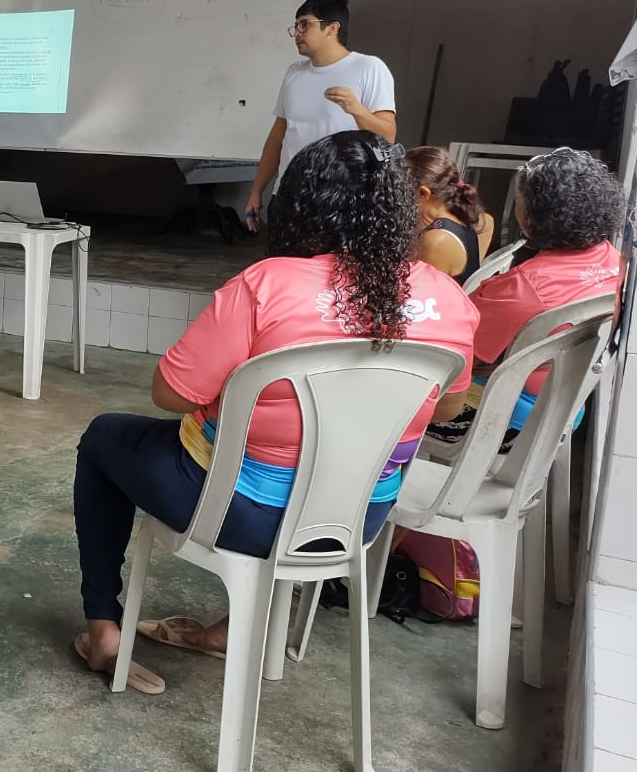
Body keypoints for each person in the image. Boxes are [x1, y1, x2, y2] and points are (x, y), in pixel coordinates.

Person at [74, 133, 478, 691]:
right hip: (357, 517)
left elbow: (169, 393)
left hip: (243, 514)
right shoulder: (448, 298)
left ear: (301, 203)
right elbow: (447, 408)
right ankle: (226, 631)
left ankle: (103, 632)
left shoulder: (266, 286)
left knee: (103, 438)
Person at [427, 147, 623, 447]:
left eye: (519, 204)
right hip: (565, 410)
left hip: (503, 422)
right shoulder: (616, 263)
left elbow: (456, 356)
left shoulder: (525, 287)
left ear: (533, 217)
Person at [245, 0, 397, 230]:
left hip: (342, 198)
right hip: (288, 195)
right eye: (296, 26)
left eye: (305, 24)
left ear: (332, 28)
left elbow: (388, 136)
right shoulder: (294, 73)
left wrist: (356, 110)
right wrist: (257, 191)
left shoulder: (369, 68)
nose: (297, 33)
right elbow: (278, 137)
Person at [405, 145, 495, 284]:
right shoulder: (460, 217)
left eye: (400, 189)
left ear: (423, 194)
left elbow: (414, 296)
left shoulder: (437, 241)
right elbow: (488, 221)